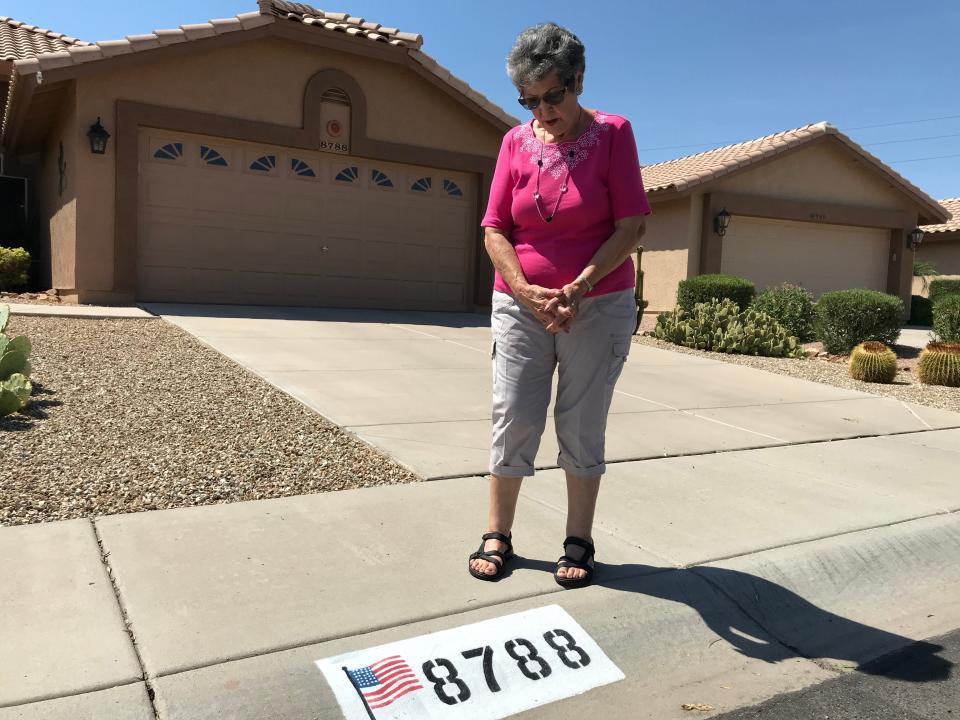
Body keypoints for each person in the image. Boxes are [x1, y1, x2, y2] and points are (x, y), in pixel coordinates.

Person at [467, 22, 651, 589]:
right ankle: (498, 532)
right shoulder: (513, 143)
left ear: (578, 79)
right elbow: (494, 227)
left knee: (581, 420)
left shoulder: (615, 133)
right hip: (520, 304)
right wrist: (524, 289)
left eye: (553, 95)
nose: (542, 111)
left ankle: (578, 538)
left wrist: (578, 287)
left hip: (597, 305)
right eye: (529, 100)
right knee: (515, 416)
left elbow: (631, 223)